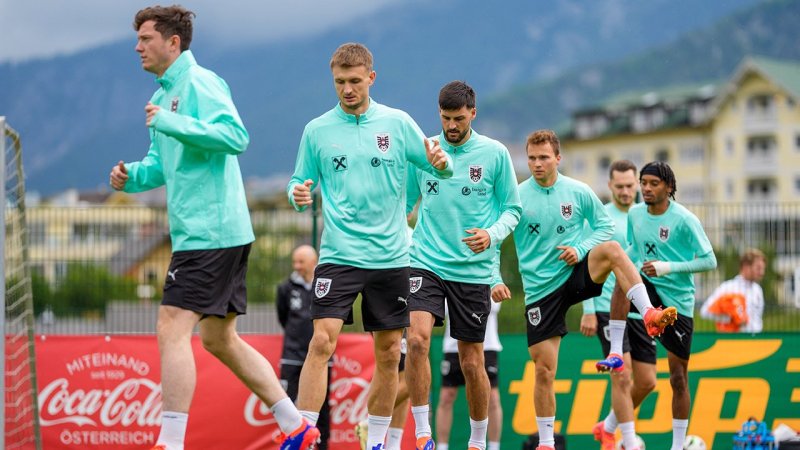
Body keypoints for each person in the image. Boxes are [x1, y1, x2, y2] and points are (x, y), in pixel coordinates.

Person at [109, 6, 316, 450]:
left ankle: (171, 441)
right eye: (139, 39)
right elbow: (161, 165)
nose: (137, 46)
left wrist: (172, 122)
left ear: (173, 42)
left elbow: (235, 136)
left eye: (146, 38)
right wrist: (133, 176)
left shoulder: (200, 83)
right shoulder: (164, 97)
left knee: (170, 326)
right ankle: (296, 424)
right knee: (220, 339)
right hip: (208, 234)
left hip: (211, 232)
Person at [287, 42, 452, 450]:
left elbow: (438, 166)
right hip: (340, 255)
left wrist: (443, 164)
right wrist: (298, 194)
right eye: (340, 82)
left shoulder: (397, 123)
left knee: (388, 352)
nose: (347, 89)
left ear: (371, 78)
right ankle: (305, 432)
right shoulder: (317, 130)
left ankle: (376, 441)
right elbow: (298, 181)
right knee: (321, 341)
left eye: (355, 81)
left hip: (393, 257)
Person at [493, 130, 674, 450]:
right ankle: (546, 443)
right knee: (545, 371)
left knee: (613, 251)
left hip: (575, 274)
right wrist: (495, 277)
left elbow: (603, 228)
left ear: (557, 158)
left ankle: (648, 313)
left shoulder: (578, 191)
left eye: (543, 157)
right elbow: (494, 239)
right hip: (540, 292)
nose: (537, 163)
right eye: (532, 157)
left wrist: (579, 248)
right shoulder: (517, 197)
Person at [405, 80, 521, 450]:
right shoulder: (425, 150)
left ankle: (477, 440)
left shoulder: (495, 154)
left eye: (458, 118)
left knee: (472, 363)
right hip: (425, 261)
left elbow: (513, 209)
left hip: (472, 270)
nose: (451, 125)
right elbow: (405, 203)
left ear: (473, 113)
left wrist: (492, 234)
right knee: (418, 340)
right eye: (445, 118)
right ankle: (423, 433)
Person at [596, 161, 717, 450]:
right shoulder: (636, 214)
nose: (646, 188)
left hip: (677, 302)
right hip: (647, 295)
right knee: (622, 278)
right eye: (644, 183)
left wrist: (667, 267)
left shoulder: (685, 219)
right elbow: (633, 252)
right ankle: (615, 351)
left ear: (669, 187)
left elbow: (710, 261)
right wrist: (614, 261)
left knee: (677, 378)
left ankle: (676, 445)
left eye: (653, 183)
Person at [580, 161, 657, 450]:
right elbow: (585, 266)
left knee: (648, 381)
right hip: (606, 308)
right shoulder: (601, 220)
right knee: (621, 375)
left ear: (637, 185)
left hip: (640, 307)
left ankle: (607, 426)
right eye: (619, 186)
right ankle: (628, 442)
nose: (625, 191)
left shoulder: (645, 216)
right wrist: (588, 311)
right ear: (610, 186)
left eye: (630, 185)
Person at [277, 245, 331, 450]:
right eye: (294, 262)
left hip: (322, 357)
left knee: (323, 406)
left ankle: (322, 446)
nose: (296, 266)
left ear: (313, 262)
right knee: (287, 404)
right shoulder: (285, 288)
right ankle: (290, 443)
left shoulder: (326, 285)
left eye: (301, 262)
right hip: (292, 356)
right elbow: (283, 318)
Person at [436, 300, 504, 450]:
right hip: (453, 346)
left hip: (487, 344)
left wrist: (464, 299)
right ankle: (441, 446)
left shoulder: (492, 275)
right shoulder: (450, 275)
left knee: (492, 397)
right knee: (446, 396)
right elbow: (445, 308)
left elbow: (494, 304)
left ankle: (493, 446)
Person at [700, 248, 766, 333]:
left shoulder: (758, 290)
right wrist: (731, 317)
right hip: (734, 341)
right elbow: (704, 311)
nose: (762, 273)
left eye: (763, 269)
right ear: (746, 266)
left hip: (756, 341)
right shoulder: (727, 287)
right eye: (758, 268)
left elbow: (758, 320)